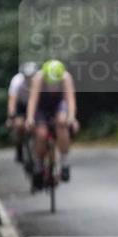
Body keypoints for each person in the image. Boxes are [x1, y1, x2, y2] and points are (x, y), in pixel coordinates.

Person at [25, 59, 79, 188]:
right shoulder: (38, 78)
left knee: (62, 122)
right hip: (41, 106)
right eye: (51, 84)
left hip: (58, 105)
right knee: (41, 134)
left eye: (56, 84)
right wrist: (30, 118)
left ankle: (64, 162)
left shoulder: (66, 78)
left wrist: (72, 118)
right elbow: (32, 100)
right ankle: (38, 165)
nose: (53, 87)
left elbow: (70, 100)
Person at [5, 62, 38, 164]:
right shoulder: (17, 81)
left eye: (31, 76)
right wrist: (11, 116)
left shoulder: (39, 80)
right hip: (21, 104)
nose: (29, 79)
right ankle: (19, 148)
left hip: (36, 105)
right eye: (27, 77)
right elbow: (12, 101)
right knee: (19, 125)